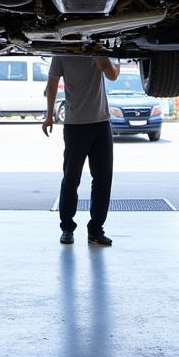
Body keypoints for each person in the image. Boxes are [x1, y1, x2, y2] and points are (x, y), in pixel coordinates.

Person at [43, 54, 119, 246]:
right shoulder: (62, 52)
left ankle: (95, 230)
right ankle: (67, 228)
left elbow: (113, 75)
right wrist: (50, 115)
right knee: (71, 178)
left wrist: (103, 62)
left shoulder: (98, 48)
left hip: (101, 123)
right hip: (75, 125)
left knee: (103, 179)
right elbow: (51, 84)